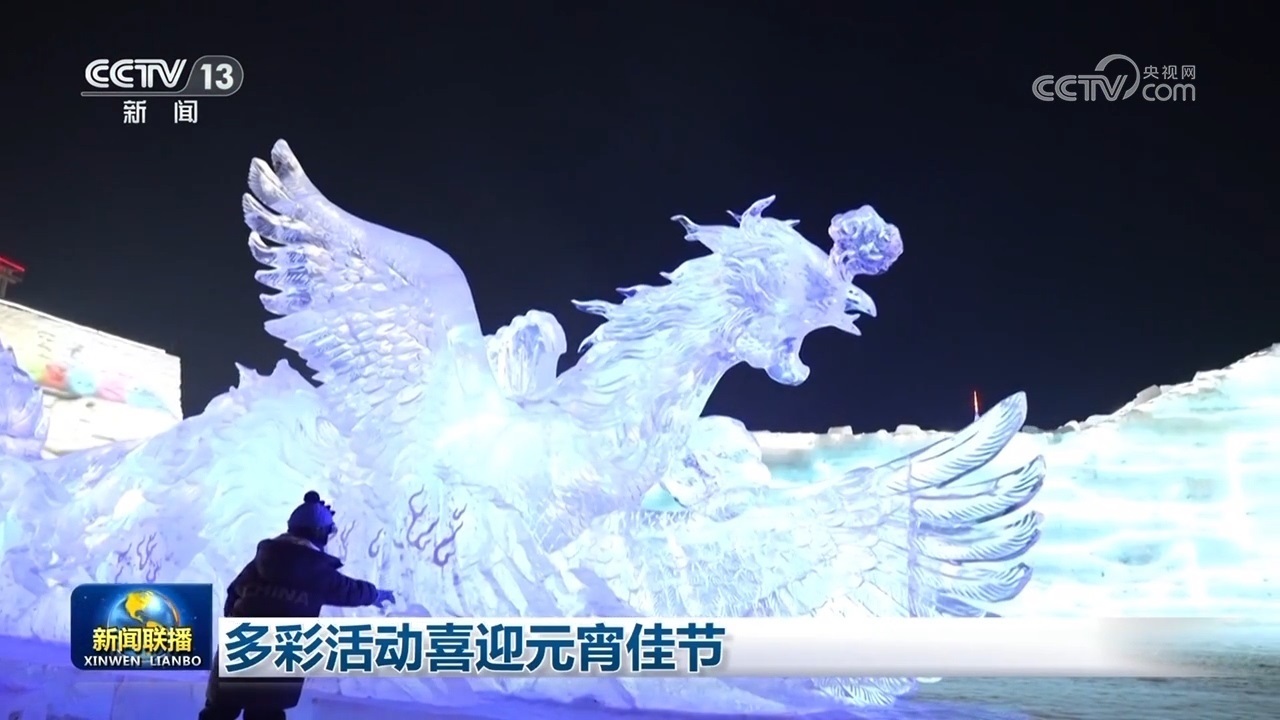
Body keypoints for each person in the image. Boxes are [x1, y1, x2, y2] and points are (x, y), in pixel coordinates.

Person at [199, 491, 395, 720]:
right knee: (264, 714)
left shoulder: (264, 559)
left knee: (219, 712)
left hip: (239, 648)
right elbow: (351, 591)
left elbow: (233, 593)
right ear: (320, 533)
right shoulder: (316, 571)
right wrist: (377, 595)